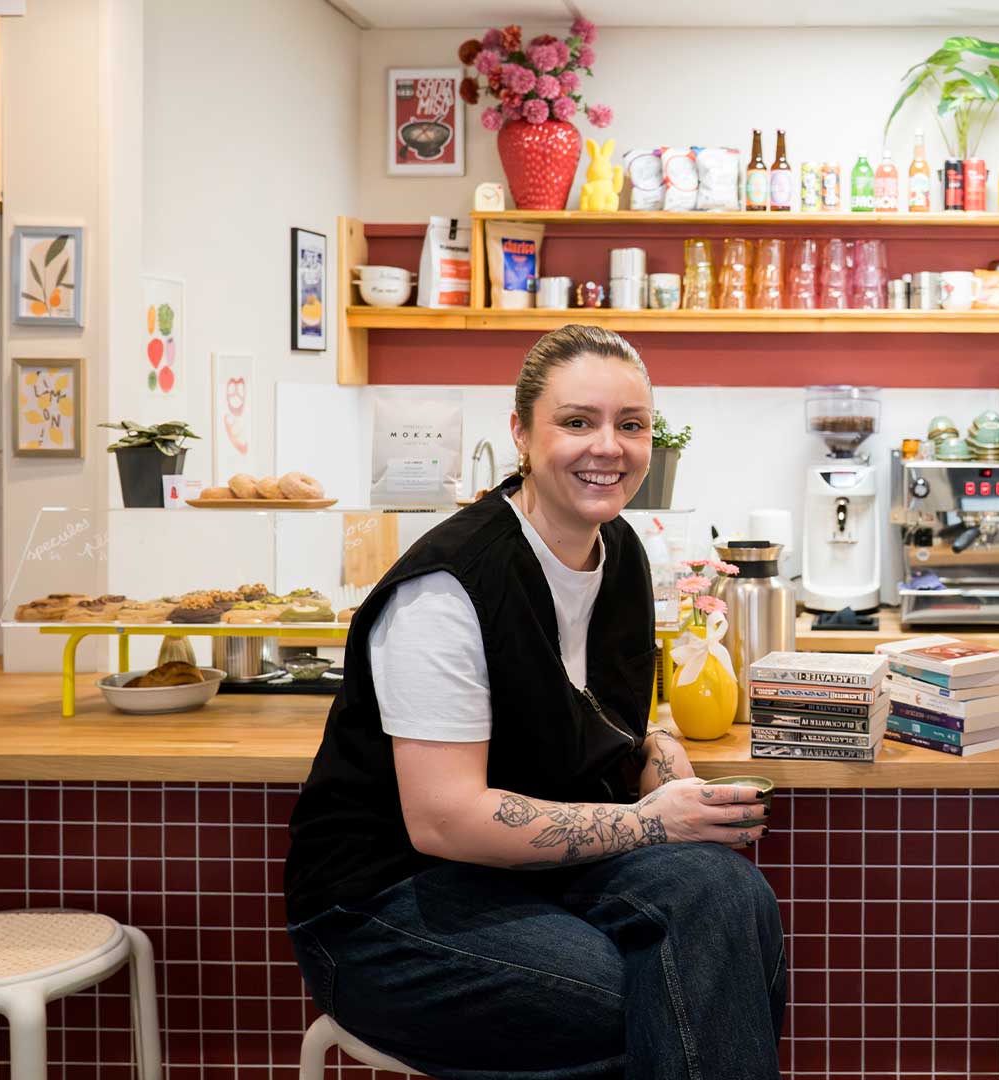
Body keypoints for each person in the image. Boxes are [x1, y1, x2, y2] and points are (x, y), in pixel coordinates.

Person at [284, 325, 786, 1080]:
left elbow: (605, 717)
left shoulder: (619, 557)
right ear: (520, 432)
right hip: (384, 908)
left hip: (529, 877)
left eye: (631, 425)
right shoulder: (449, 587)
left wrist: (663, 768)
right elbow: (443, 818)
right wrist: (651, 822)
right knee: (655, 994)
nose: (607, 447)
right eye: (576, 422)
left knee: (729, 901)